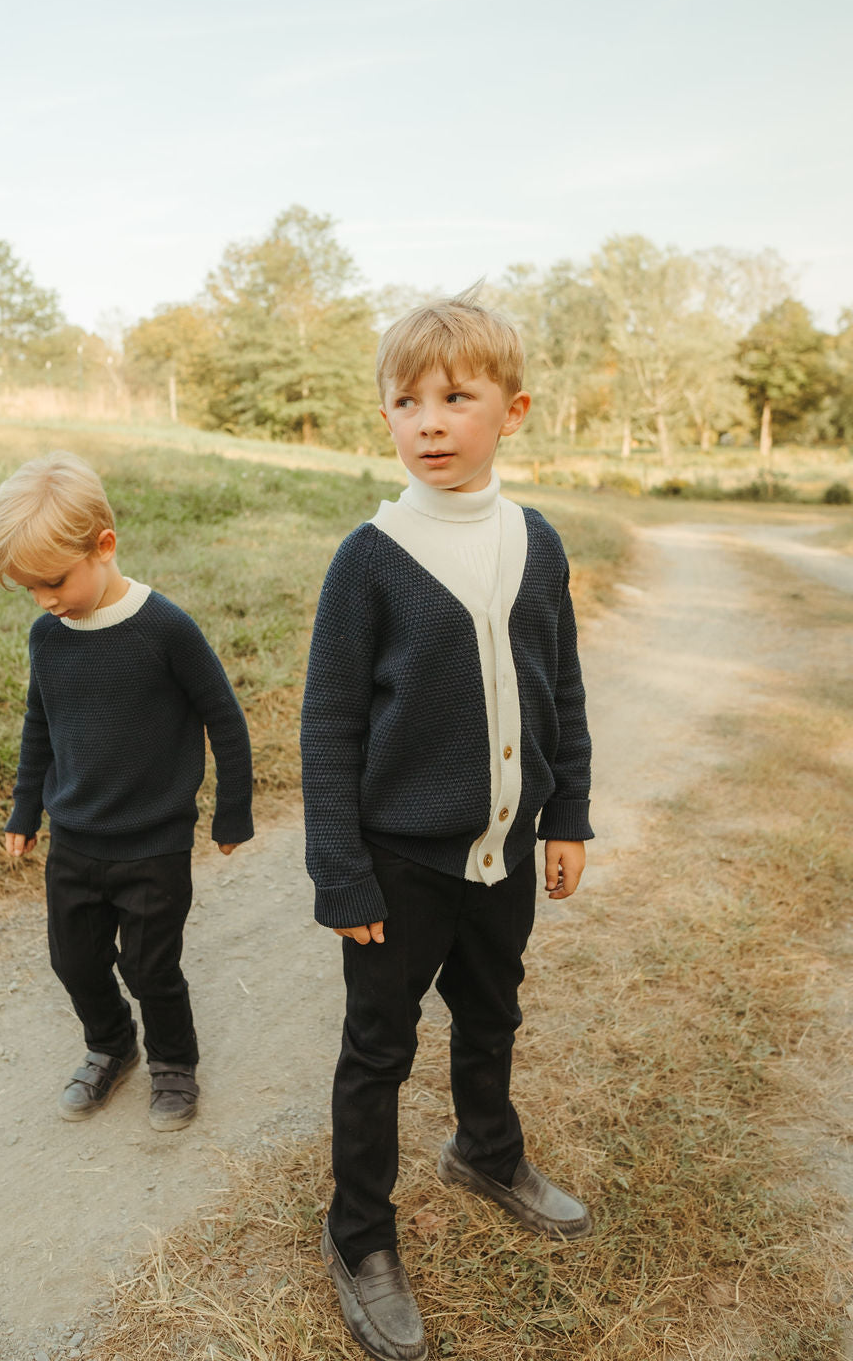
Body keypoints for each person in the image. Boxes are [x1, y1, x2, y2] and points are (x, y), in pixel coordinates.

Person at [301, 288, 594, 1361]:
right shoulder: (369, 559)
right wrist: (340, 872)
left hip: (505, 853)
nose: (427, 421)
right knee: (377, 1048)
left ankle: (485, 1150)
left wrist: (569, 814)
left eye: (454, 398)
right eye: (404, 401)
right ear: (383, 415)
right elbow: (328, 724)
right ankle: (358, 1233)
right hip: (396, 865)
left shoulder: (537, 542)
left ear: (510, 412)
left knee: (492, 1010)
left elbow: (558, 686)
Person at [0, 451, 253, 1132]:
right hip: (75, 839)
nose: (45, 600)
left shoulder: (164, 629)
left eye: (53, 581)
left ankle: (174, 1063)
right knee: (72, 960)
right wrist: (25, 808)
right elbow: (39, 722)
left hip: (154, 844)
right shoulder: (49, 636)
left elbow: (223, 715)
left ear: (103, 546)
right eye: (30, 590)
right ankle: (111, 1046)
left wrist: (233, 808)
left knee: (150, 967)